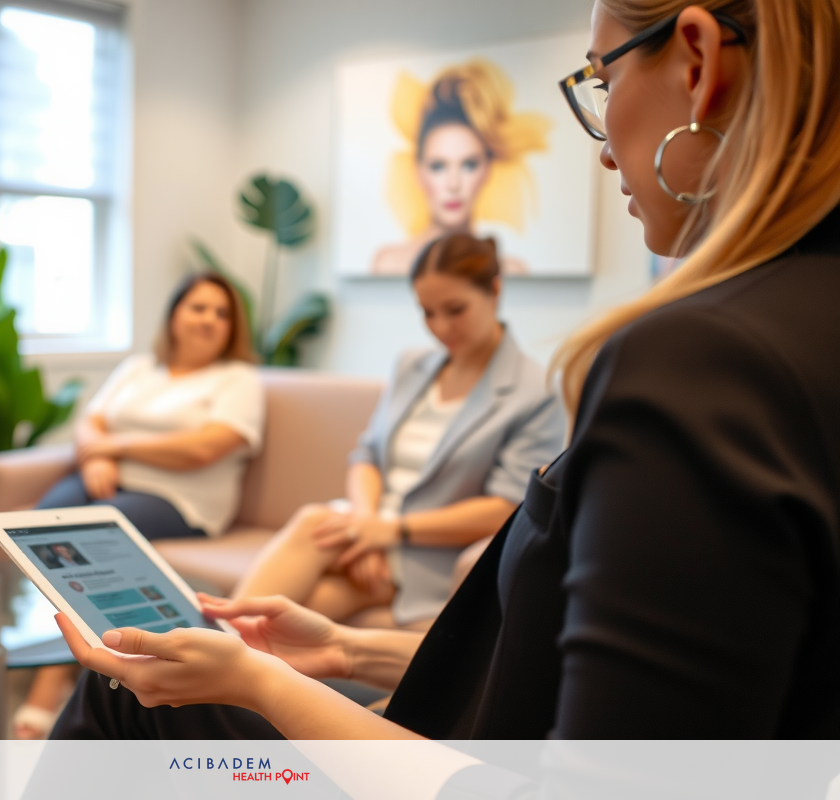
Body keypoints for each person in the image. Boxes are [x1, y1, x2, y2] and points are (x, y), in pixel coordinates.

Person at [44, 0, 840, 751]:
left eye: (602, 80)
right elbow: (555, 684)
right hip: (432, 665)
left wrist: (262, 684)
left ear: (697, 61)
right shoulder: (789, 328)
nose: (600, 144)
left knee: (127, 691)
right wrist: (350, 649)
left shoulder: (702, 362)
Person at [234, 233, 564, 630]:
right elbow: (367, 456)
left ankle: (209, 650)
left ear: (495, 289)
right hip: (367, 526)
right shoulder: (412, 366)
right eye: (427, 312)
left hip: (434, 550)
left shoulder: (536, 391)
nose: (440, 327)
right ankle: (214, 661)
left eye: (455, 310)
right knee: (309, 548)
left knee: (305, 548)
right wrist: (365, 525)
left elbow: (505, 506)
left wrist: (389, 532)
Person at [14, 272, 264, 738]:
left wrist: (116, 448)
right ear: (174, 314)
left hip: (180, 499)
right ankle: (50, 652)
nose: (209, 319)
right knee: (31, 533)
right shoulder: (139, 367)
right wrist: (94, 459)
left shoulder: (238, 379)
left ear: (233, 326)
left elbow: (203, 448)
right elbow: (91, 421)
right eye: (198, 307)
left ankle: (46, 690)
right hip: (106, 481)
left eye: (221, 312)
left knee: (83, 543)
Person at [372, 60, 549, 277]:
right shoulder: (389, 264)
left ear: (487, 171)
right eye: (438, 166)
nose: (453, 184)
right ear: (418, 172)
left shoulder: (509, 271)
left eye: (469, 165)